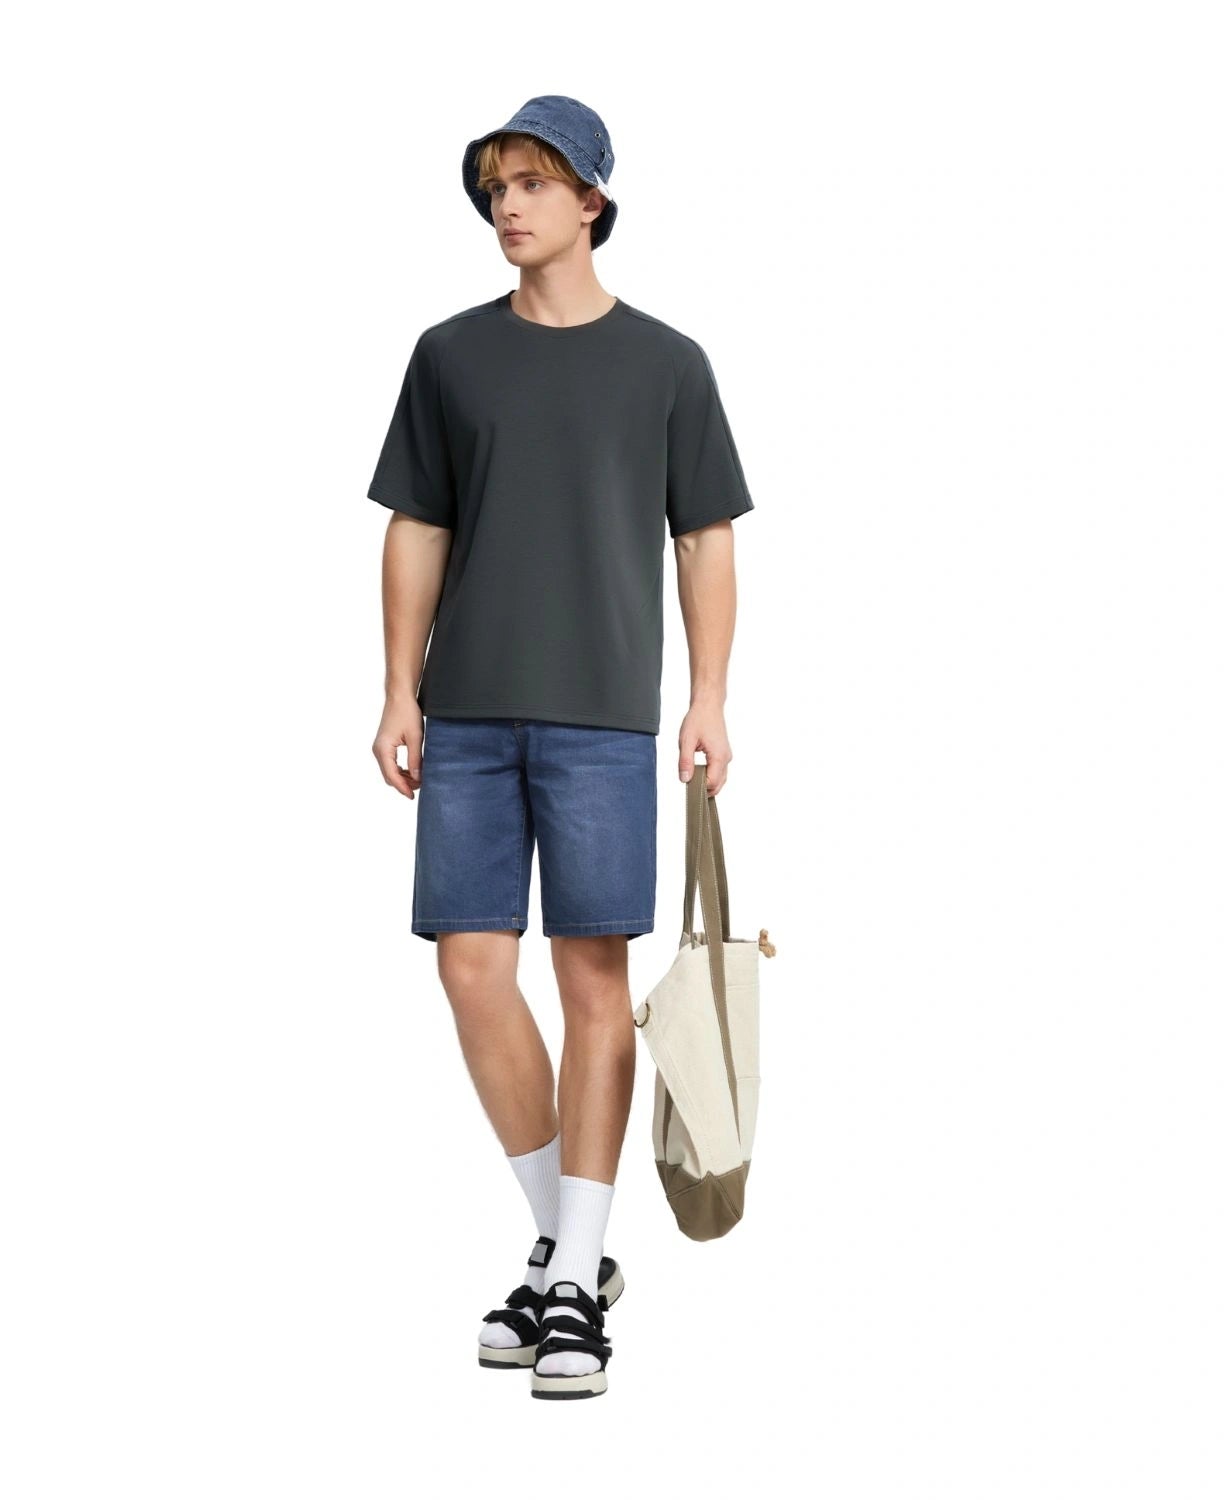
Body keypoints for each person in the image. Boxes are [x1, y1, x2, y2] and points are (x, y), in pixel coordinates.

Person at [366, 95, 754, 1400]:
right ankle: (568, 1244)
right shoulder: (449, 356)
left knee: (595, 980)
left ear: (592, 199)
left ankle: (572, 1278)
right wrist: (398, 689)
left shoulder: (667, 365)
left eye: (532, 183)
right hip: (468, 713)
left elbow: (705, 537)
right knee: (471, 969)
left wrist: (709, 696)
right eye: (494, 189)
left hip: (601, 718)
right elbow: (416, 525)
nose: (507, 207)